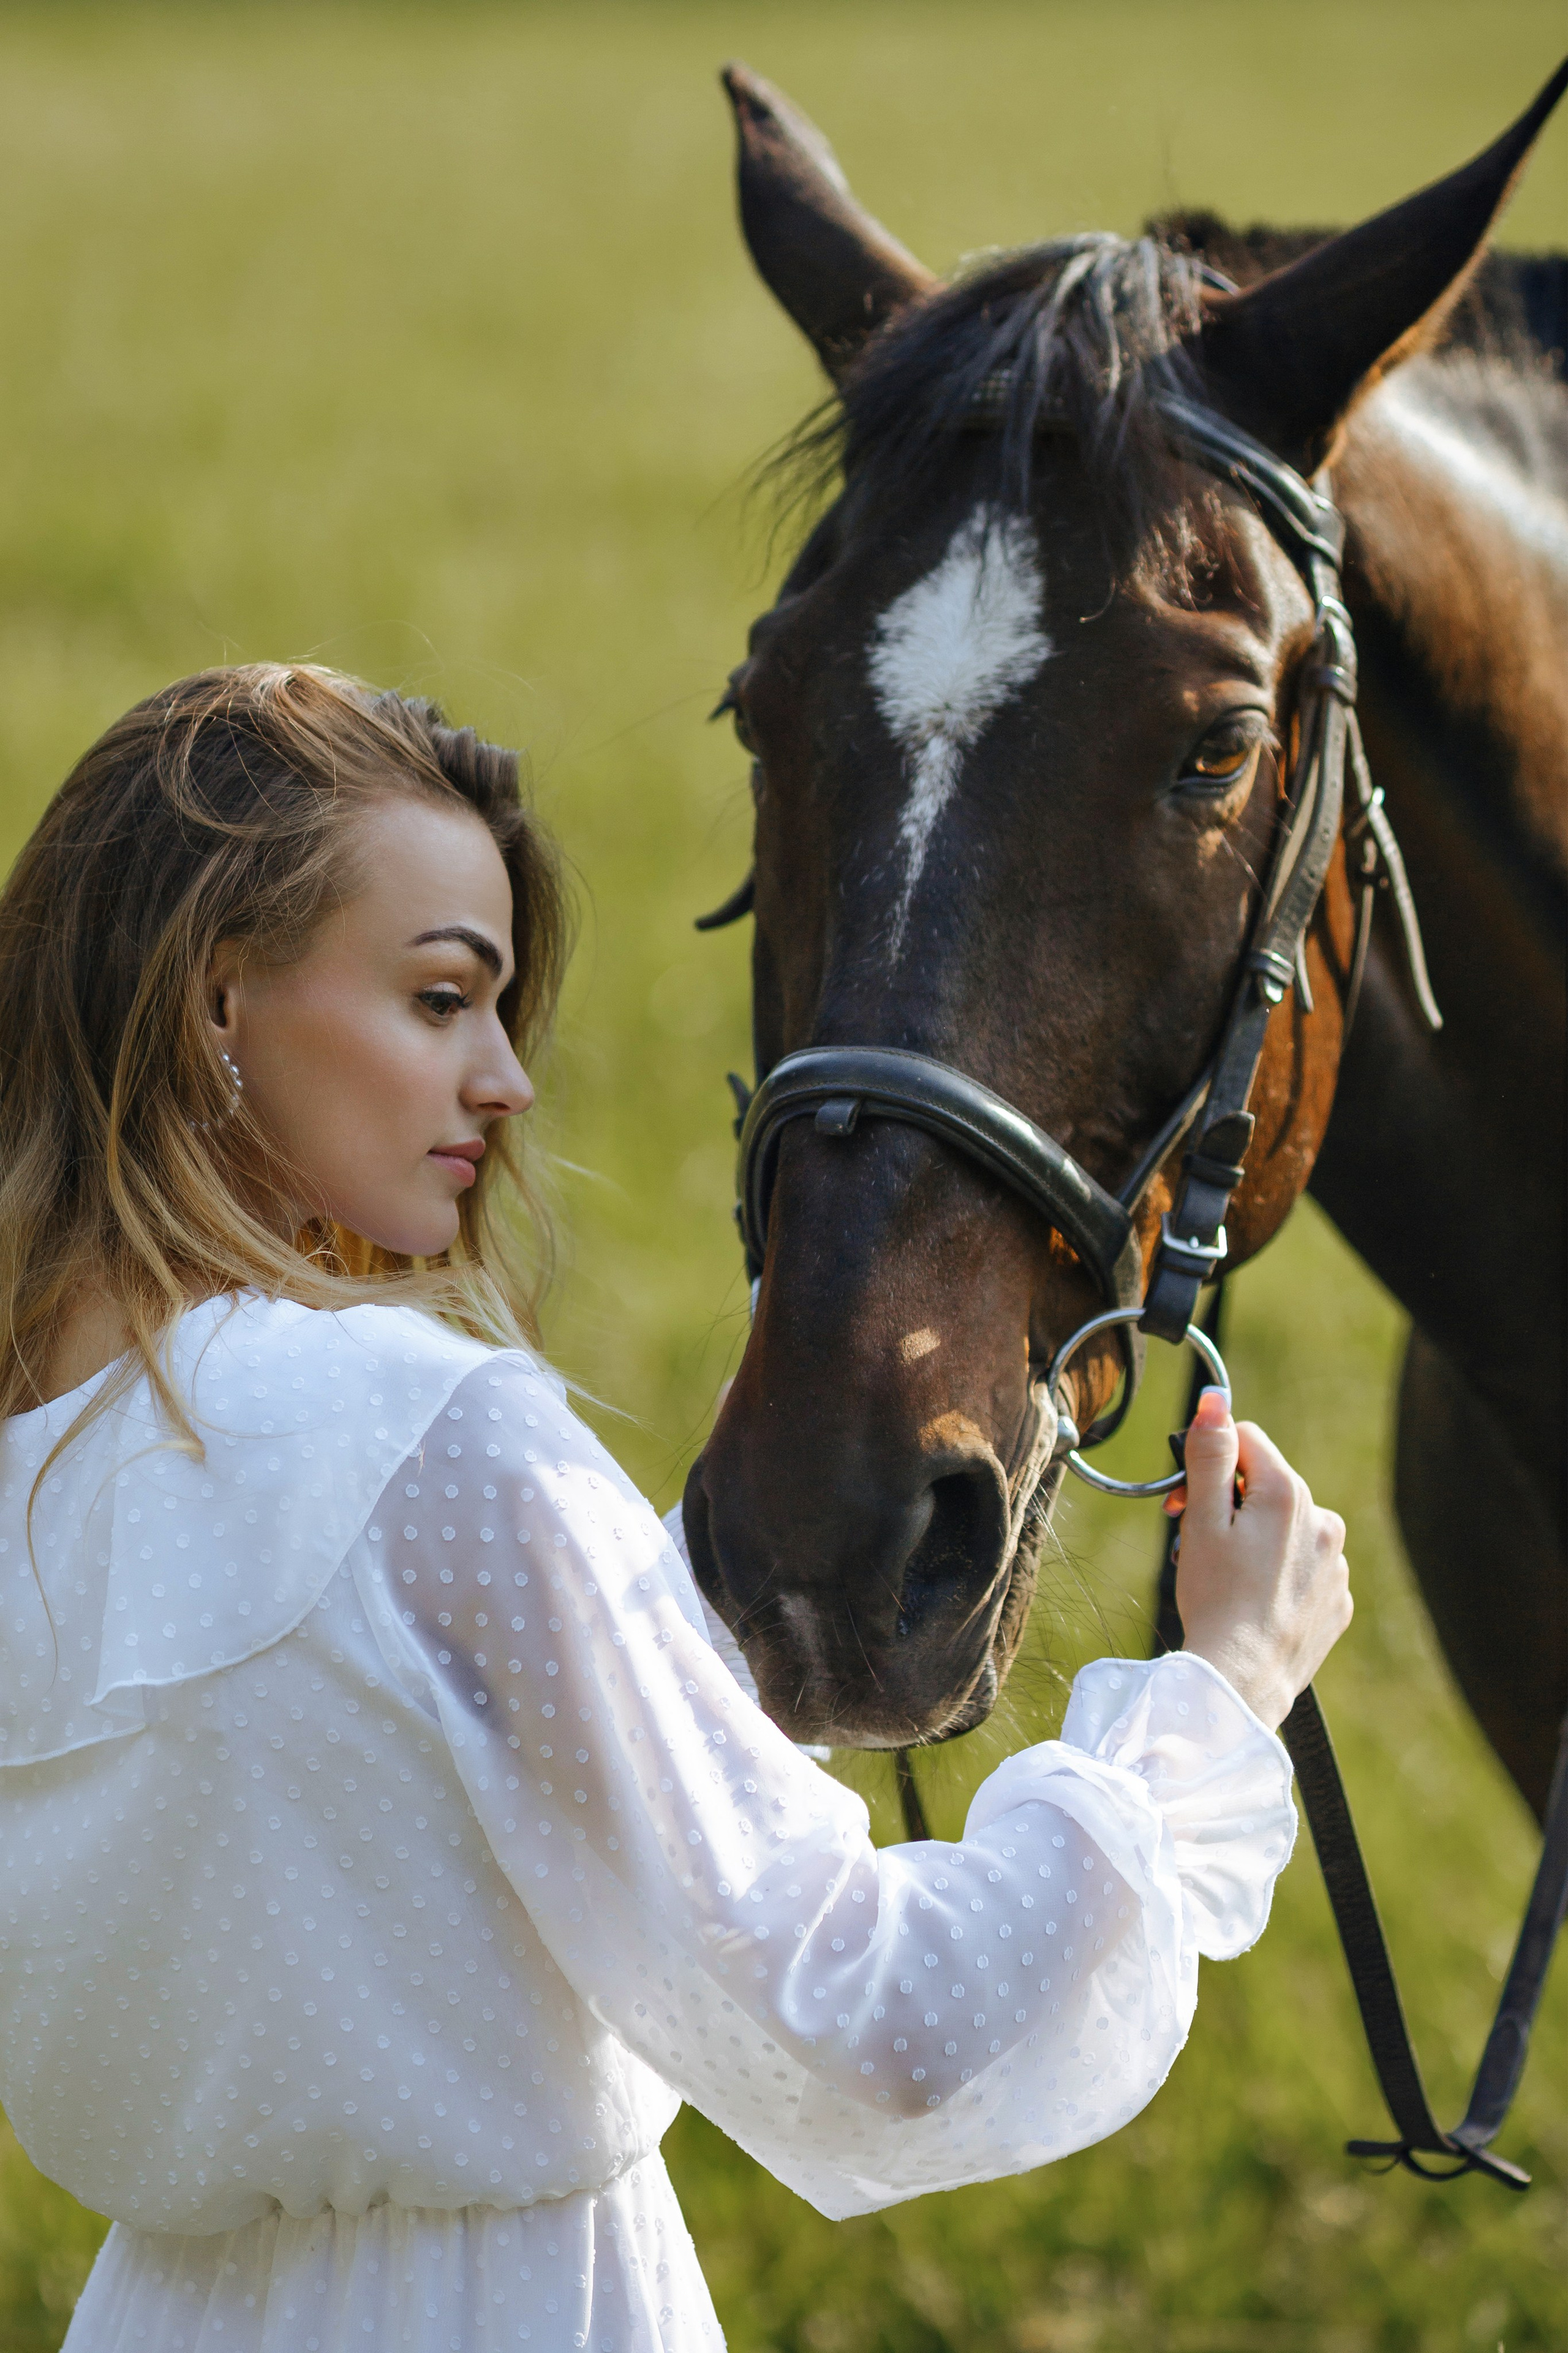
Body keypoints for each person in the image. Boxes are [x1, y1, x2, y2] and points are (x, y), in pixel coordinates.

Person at [0, 664, 1350, 2353]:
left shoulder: (36, 1467)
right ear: (216, 1006)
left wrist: (673, 1664)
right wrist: (1214, 1700)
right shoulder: (431, 1443)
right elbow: (886, 2024)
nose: (506, 1079)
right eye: (440, 998)